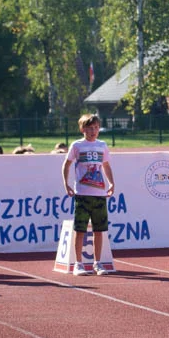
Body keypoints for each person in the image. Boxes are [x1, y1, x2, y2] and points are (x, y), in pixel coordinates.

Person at [61, 114, 115, 276]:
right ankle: (78, 264)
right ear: (82, 129)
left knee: (99, 230)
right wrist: (66, 184)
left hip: (100, 195)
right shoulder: (77, 146)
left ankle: (97, 263)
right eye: (90, 128)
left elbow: (106, 165)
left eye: (96, 128)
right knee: (80, 230)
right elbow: (67, 164)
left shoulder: (102, 145)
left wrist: (112, 183)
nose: (93, 131)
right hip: (82, 194)